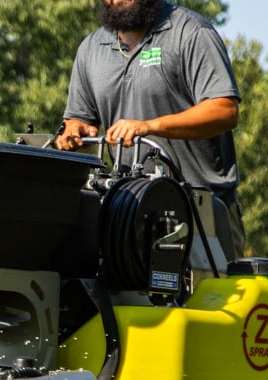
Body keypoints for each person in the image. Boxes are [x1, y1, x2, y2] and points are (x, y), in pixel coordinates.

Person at [55, 0, 246, 256]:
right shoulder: (92, 48)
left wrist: (149, 126)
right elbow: (79, 119)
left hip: (203, 211)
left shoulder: (190, 32)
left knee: (211, 296)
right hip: (127, 212)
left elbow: (224, 110)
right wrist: (73, 131)